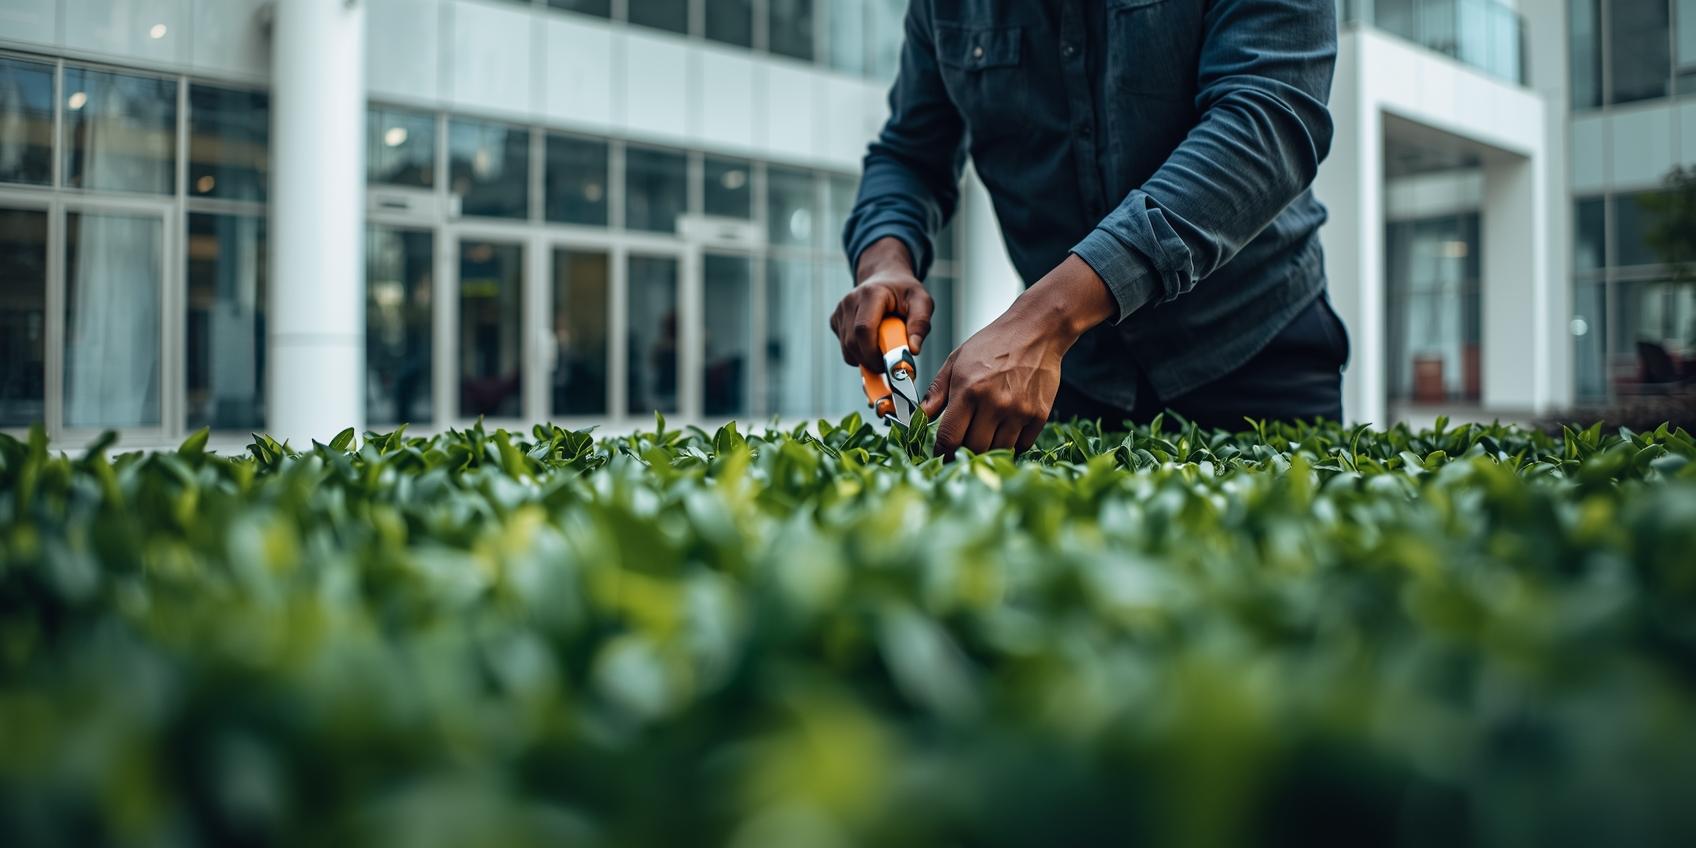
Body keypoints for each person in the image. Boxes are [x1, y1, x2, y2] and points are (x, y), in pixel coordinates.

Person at [832, 0, 1349, 457]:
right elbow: (910, 154)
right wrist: (884, 262)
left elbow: (1267, 121)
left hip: (1253, 353)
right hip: (1074, 381)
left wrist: (1049, 316)